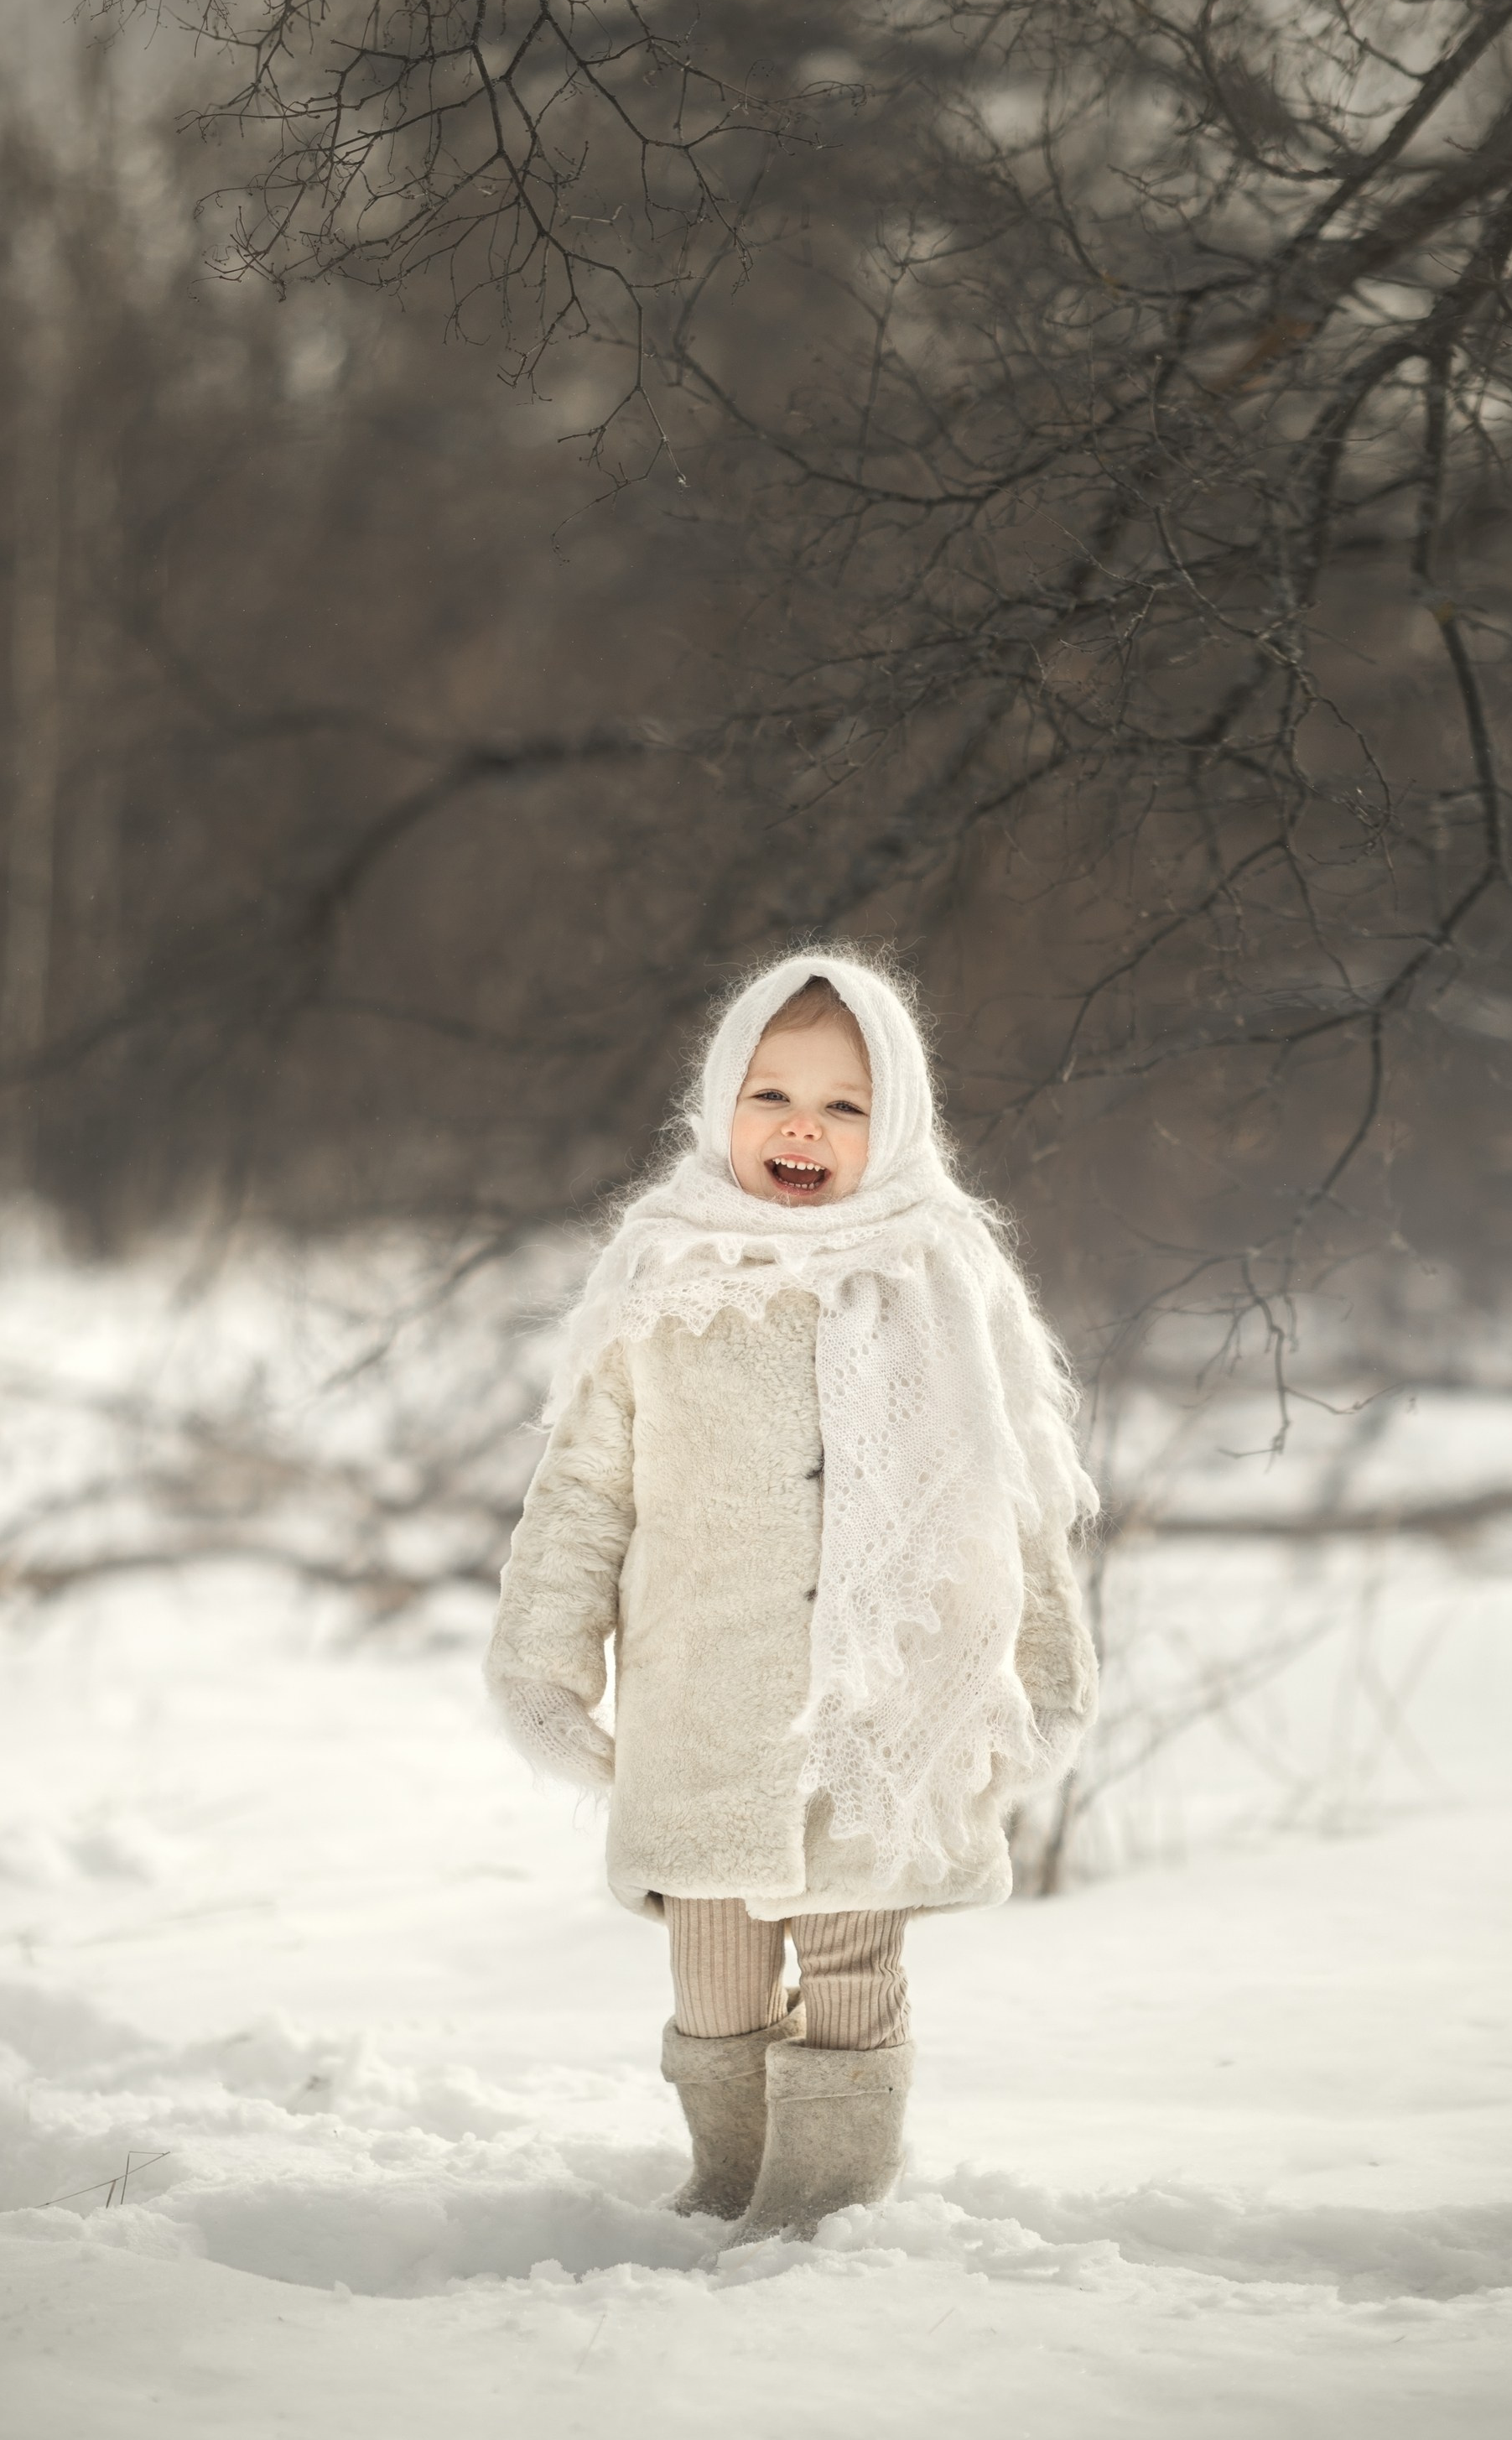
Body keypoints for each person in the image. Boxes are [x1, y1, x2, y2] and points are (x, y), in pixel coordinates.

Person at [486, 950, 1099, 2244]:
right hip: (702, 1703)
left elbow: (1017, 1497)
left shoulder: (944, 1278)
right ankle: (728, 2189)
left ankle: (821, 2211)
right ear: (720, 1104)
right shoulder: (663, 1280)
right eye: (770, 1093)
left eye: (845, 1103)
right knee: (713, 1978)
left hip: (879, 1713)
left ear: (900, 1124)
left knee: (851, 1966)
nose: (802, 1126)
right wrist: (544, 1662)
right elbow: (586, 1489)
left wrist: (1046, 1674)